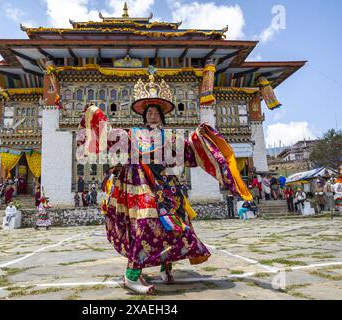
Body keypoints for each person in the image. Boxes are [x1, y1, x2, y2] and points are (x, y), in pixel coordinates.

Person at [76, 70, 253, 294]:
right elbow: (110, 137)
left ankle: (164, 266)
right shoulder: (133, 134)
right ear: (144, 115)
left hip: (168, 189)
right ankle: (131, 275)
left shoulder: (172, 137)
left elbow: (189, 155)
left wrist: (200, 137)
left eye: (156, 112)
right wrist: (96, 115)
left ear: (162, 116)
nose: (152, 115)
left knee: (175, 228)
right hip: (141, 187)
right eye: (149, 111)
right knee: (144, 227)